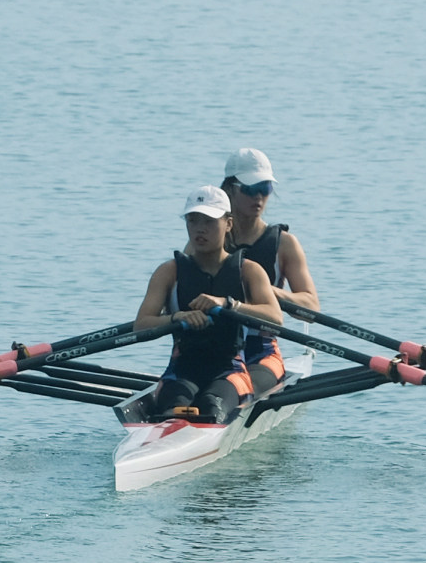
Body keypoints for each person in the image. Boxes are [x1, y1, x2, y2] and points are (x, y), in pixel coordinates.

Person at [134, 186, 288, 425]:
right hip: (182, 371)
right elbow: (141, 326)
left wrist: (228, 304)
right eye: (193, 221)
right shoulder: (168, 272)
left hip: (230, 371)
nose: (199, 229)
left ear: (228, 223)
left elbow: (275, 317)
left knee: (211, 406)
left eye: (209, 221)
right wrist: (178, 318)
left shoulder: (249, 271)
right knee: (172, 410)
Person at [220, 147, 319, 314]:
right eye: (249, 188)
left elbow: (311, 307)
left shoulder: (285, 244)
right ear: (229, 189)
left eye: (265, 188)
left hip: (261, 338)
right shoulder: (209, 236)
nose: (258, 196)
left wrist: (268, 291)